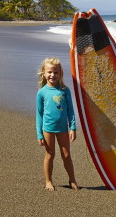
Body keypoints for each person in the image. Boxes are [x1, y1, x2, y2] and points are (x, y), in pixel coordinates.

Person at [36, 57, 79, 191]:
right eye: (49, 72)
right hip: (47, 129)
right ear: (44, 73)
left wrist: (72, 127)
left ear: (60, 73)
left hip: (63, 129)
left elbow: (71, 111)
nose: (52, 75)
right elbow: (39, 114)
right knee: (50, 155)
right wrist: (39, 134)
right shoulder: (42, 92)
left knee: (66, 155)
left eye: (55, 72)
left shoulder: (65, 90)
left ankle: (72, 181)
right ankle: (48, 181)